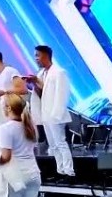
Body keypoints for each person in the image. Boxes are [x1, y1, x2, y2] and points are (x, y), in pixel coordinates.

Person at [25, 45, 75, 177]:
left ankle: (69, 171)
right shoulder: (41, 74)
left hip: (55, 114)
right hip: (45, 114)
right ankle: (60, 170)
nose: (36, 58)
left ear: (46, 56)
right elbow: (42, 93)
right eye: (35, 56)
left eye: (38, 55)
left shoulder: (59, 72)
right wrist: (34, 82)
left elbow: (62, 94)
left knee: (60, 143)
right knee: (53, 145)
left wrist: (56, 114)